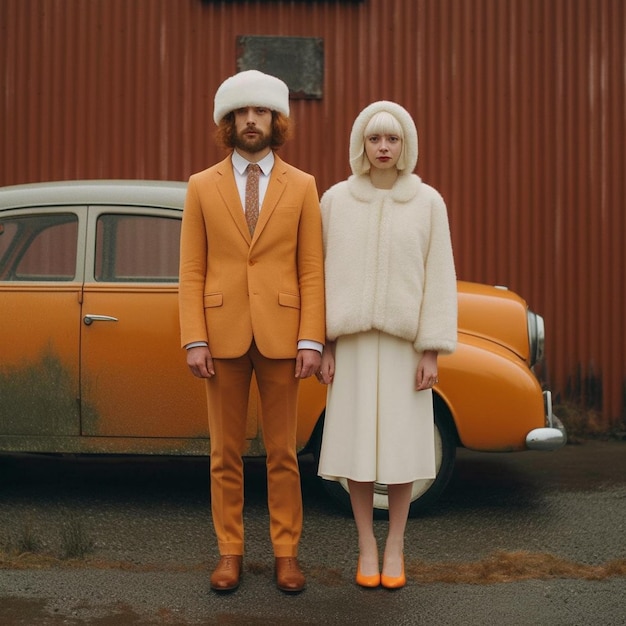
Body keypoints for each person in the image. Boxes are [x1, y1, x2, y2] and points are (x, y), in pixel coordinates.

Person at [179, 70, 325, 593]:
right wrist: (194, 337)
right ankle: (230, 553)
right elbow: (191, 270)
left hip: (285, 338)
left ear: (274, 120)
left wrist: (312, 338)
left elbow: (311, 268)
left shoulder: (304, 186)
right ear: (228, 122)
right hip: (221, 337)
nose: (250, 121)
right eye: (241, 113)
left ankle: (287, 555)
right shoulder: (200, 186)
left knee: (284, 453)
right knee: (225, 453)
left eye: (259, 112)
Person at [316, 101, 457, 589]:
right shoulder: (334, 201)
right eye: (374, 139)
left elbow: (440, 277)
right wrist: (324, 344)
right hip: (351, 347)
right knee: (356, 448)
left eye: (392, 139)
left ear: (405, 146)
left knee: (399, 450)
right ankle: (366, 545)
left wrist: (431, 349)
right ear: (361, 144)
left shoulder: (428, 203)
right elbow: (317, 276)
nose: (382, 148)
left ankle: (395, 543)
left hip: (403, 350)